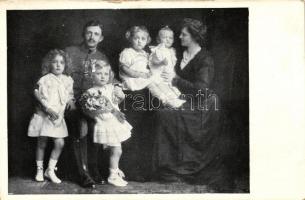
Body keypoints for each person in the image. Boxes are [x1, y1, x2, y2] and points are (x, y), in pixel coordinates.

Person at [152, 18, 234, 192]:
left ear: (195, 37)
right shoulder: (180, 54)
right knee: (161, 111)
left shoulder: (205, 58)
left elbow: (201, 90)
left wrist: (175, 80)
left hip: (203, 105)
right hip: (186, 99)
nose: (179, 36)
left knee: (165, 113)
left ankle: (181, 167)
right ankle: (169, 167)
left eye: (184, 34)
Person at [65, 20, 109, 188]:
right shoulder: (70, 52)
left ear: (101, 38)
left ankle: (93, 168)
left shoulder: (102, 57)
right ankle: (82, 172)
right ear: (83, 34)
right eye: (89, 33)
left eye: (96, 34)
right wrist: (69, 99)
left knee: (97, 124)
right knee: (82, 125)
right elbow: (57, 77)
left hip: (91, 103)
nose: (92, 37)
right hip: (71, 103)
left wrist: (118, 87)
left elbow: (109, 77)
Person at [80, 60, 132, 187]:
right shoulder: (91, 92)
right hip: (106, 123)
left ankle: (115, 169)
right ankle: (113, 175)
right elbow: (89, 109)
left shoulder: (110, 87)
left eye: (105, 74)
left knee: (116, 149)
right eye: (99, 73)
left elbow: (118, 98)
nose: (103, 76)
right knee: (117, 150)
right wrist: (104, 109)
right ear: (92, 76)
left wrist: (120, 94)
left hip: (114, 122)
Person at [28, 49, 74, 184]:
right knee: (42, 142)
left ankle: (50, 170)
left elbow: (69, 95)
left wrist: (70, 101)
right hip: (45, 114)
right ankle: (39, 170)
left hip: (58, 116)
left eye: (61, 62)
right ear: (49, 64)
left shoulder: (67, 80)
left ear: (65, 65)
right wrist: (47, 108)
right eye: (55, 62)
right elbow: (38, 95)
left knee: (60, 143)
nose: (58, 65)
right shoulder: (45, 79)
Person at [148, 26, 185, 108]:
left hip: (168, 75)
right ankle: (169, 102)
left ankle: (176, 101)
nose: (168, 39)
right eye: (164, 37)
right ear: (158, 40)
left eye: (170, 38)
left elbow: (172, 65)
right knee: (164, 89)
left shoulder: (171, 51)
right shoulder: (157, 50)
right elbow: (153, 62)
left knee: (174, 89)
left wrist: (173, 74)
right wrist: (161, 62)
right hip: (158, 75)